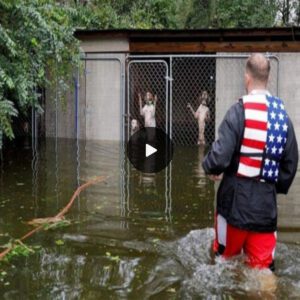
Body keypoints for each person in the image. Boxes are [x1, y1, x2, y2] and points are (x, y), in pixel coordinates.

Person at [202, 53, 298, 272]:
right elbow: (290, 165)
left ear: (247, 78)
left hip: (234, 206)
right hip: (265, 209)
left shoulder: (238, 111)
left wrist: (211, 167)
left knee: (224, 264)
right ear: (269, 78)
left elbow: (219, 156)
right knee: (263, 272)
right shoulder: (282, 117)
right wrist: (272, 186)